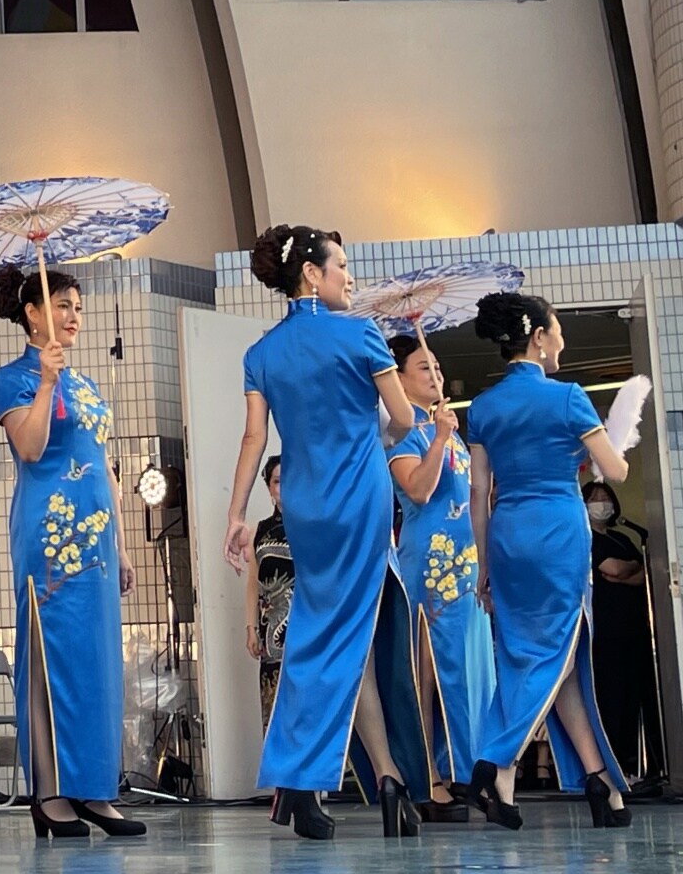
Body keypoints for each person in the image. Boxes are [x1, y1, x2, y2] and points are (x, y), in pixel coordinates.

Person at [221, 225, 430, 841]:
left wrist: (236, 514)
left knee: (334, 635)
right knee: (338, 639)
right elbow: (402, 418)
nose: (350, 277)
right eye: (341, 265)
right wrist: (388, 428)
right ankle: (305, 776)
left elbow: (253, 439)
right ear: (311, 274)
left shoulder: (261, 353)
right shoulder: (361, 333)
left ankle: (382, 777)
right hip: (361, 498)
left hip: (307, 507)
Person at [0, 266, 145, 840]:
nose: (74, 315)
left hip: (97, 538)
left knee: (97, 661)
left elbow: (103, 465)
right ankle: (51, 793)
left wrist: (121, 545)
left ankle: (96, 790)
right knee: (50, 657)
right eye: (62, 305)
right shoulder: (11, 379)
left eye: (78, 306)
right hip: (48, 536)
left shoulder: (89, 385)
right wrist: (46, 383)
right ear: (32, 313)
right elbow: (30, 449)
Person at [466, 291, 632, 830]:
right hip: (558, 532)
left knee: (543, 658)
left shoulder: (483, 407)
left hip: (507, 536)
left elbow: (478, 492)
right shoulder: (568, 398)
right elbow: (616, 471)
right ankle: (495, 762)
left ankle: (598, 782)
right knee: (553, 652)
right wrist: (607, 443)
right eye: (558, 331)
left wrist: (484, 564)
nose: (562, 341)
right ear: (538, 336)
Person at [386, 334, 491, 823]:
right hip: (429, 565)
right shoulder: (401, 433)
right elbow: (419, 491)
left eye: (438, 367)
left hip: (466, 566)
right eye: (424, 367)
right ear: (399, 378)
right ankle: (425, 777)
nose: (436, 375)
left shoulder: (446, 426)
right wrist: (441, 439)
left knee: (469, 671)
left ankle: (462, 770)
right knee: (427, 672)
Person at [584, 481, 664, 783]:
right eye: (595, 498)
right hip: (606, 630)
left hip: (635, 627)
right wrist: (626, 571)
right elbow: (612, 570)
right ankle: (611, 765)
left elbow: (642, 574)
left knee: (635, 696)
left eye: (606, 497)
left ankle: (634, 766)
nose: (601, 503)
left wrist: (624, 572)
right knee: (611, 697)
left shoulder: (622, 538)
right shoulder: (586, 538)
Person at [245, 456, 293, 732]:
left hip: (307, 627)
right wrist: (250, 628)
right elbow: (254, 583)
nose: (283, 486)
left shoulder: (313, 525)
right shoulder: (259, 531)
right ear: (269, 487)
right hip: (271, 633)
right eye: (277, 481)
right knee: (275, 714)